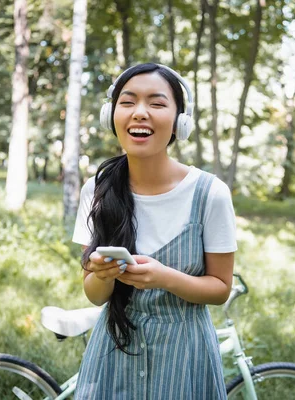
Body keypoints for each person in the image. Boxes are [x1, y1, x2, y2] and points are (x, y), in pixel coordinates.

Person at [72, 63, 237, 399]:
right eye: (128, 102)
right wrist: (102, 276)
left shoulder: (210, 193)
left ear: (180, 122)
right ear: (111, 115)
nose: (140, 114)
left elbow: (220, 289)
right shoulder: (98, 189)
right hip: (113, 355)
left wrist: (164, 278)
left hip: (185, 357)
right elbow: (94, 294)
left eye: (157, 104)